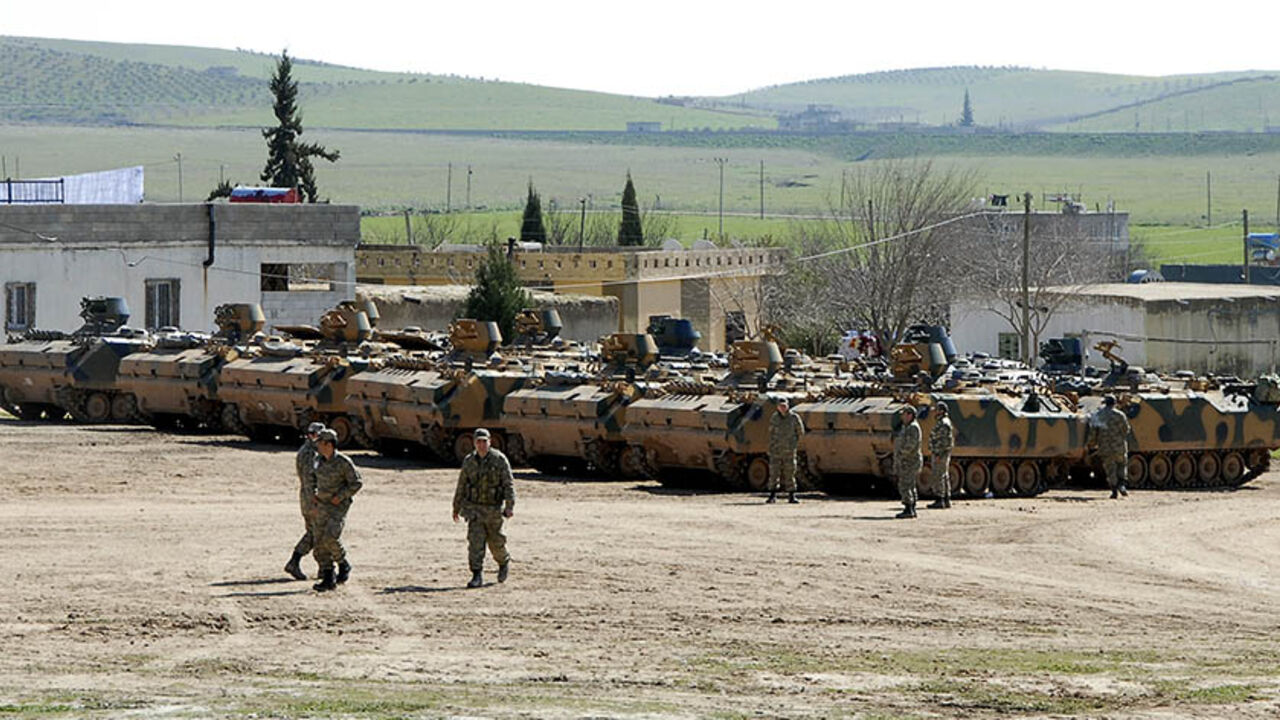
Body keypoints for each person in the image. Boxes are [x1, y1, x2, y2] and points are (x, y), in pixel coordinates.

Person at [452, 428, 515, 588]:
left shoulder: (499, 459)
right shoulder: (469, 461)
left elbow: (508, 484)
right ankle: (476, 575)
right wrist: (456, 507)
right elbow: (462, 485)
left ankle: (503, 562)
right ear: (474, 443)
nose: (481, 445)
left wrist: (509, 506)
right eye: (478, 442)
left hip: (493, 509)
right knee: (475, 543)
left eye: (484, 441)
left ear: (490, 442)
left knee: (496, 543)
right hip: (474, 510)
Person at [310, 428, 363, 592]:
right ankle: (328, 576)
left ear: (328, 444)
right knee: (318, 541)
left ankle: (343, 563)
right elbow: (312, 478)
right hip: (322, 504)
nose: (317, 446)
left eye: (320, 443)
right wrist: (313, 495)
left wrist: (340, 496)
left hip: (338, 506)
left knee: (330, 537)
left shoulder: (343, 462)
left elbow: (356, 483)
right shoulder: (318, 460)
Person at [284, 421, 325, 580]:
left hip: (310, 497)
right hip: (311, 498)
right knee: (316, 533)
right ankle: (295, 561)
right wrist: (316, 500)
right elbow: (309, 480)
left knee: (320, 534)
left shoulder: (313, 451)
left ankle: (324, 568)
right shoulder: (310, 454)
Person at [766, 397, 805, 504]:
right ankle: (772, 495)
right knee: (774, 472)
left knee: (790, 472)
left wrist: (793, 444)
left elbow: (800, 432)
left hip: (789, 450)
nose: (782, 408)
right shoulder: (774, 418)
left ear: (788, 406)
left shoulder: (794, 417)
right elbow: (771, 433)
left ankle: (792, 495)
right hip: (776, 450)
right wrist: (771, 446)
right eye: (780, 406)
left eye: (784, 406)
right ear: (777, 407)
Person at [1095, 395, 1131, 499]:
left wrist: (1093, 443)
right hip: (1119, 446)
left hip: (1105, 446)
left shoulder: (1099, 415)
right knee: (1122, 465)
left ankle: (1114, 490)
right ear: (1114, 403)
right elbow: (1126, 430)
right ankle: (1122, 485)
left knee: (1110, 469)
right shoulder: (1120, 415)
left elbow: (1094, 431)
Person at [893, 406, 923, 519]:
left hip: (909, 461)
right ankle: (911, 507)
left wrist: (901, 454)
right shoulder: (907, 427)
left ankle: (909, 508)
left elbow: (910, 445)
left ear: (910, 415)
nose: (902, 416)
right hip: (908, 460)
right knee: (909, 484)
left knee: (905, 485)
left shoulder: (913, 427)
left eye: (904, 414)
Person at [926, 404, 954, 509]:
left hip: (940, 453)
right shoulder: (943, 422)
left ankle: (940, 499)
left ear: (941, 411)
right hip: (941, 452)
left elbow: (945, 441)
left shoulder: (943, 423)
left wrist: (939, 454)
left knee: (939, 475)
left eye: (936, 410)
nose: (934, 412)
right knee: (943, 475)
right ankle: (946, 498)